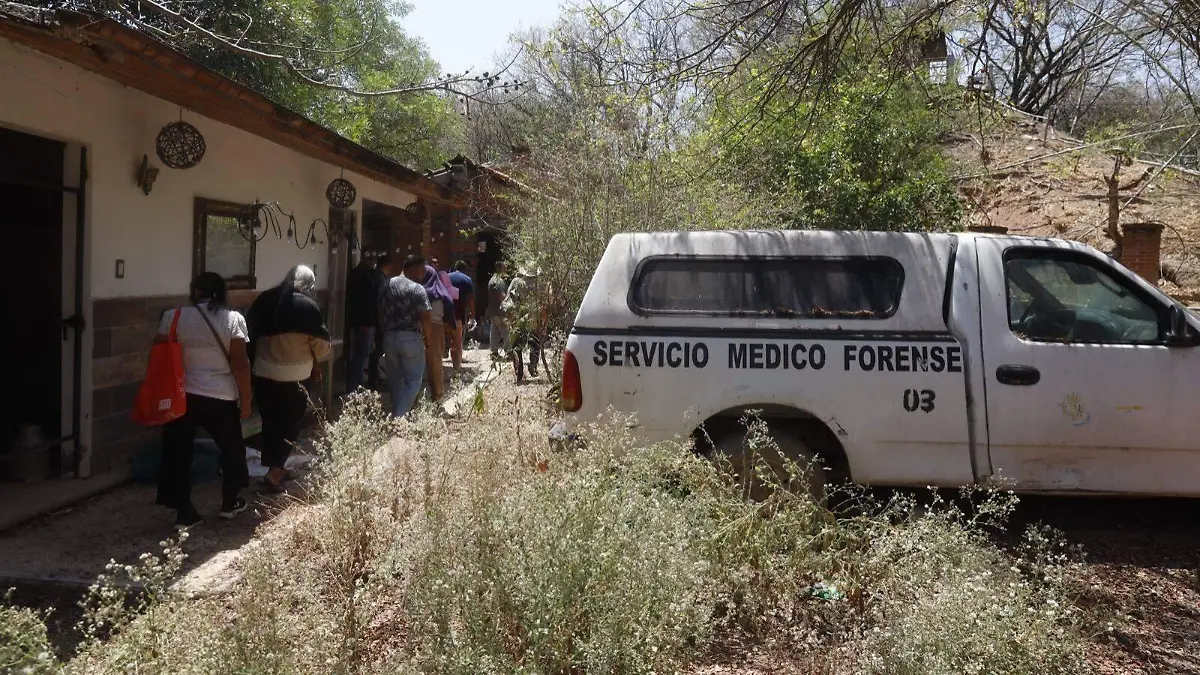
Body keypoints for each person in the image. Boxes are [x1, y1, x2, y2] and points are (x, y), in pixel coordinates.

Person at [155, 272, 253, 527]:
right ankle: (230, 503)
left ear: (195, 290)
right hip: (220, 396)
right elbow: (241, 364)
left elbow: (158, 356)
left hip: (181, 396)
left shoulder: (172, 317)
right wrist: (247, 399)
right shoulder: (233, 319)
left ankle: (183, 511)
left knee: (178, 453)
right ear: (221, 293)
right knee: (232, 449)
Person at [247, 265, 331, 492]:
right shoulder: (307, 306)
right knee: (290, 423)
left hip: (263, 373)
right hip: (295, 375)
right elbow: (322, 347)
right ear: (309, 285)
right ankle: (275, 472)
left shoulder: (265, 300)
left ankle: (276, 466)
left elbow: (248, 336)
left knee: (271, 421)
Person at [379, 255, 434, 417]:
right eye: (422, 268)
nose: (423, 272)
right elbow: (425, 316)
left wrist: (384, 333)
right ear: (412, 267)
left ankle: (399, 414)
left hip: (389, 336)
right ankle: (399, 417)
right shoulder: (417, 289)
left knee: (395, 380)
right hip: (410, 337)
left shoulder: (385, 285)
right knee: (413, 380)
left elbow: (379, 312)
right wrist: (428, 339)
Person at [345, 251, 383, 393]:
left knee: (360, 353)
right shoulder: (362, 275)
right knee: (361, 354)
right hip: (364, 322)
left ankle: (357, 383)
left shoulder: (362, 273)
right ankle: (353, 386)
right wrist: (368, 323)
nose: (374, 262)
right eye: (372, 259)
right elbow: (364, 302)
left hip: (360, 321)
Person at [503, 264, 547, 383]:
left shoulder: (516, 282)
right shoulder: (541, 284)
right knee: (535, 344)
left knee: (518, 346)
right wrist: (543, 321)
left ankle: (519, 371)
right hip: (534, 320)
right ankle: (533, 366)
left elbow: (509, 300)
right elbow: (544, 305)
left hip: (519, 319)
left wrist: (510, 319)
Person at [422, 264, 455, 402]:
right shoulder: (441, 293)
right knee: (435, 363)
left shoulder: (423, 293)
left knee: (431, 363)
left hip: (427, 328)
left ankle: (437, 395)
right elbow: (449, 312)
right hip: (437, 329)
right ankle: (437, 394)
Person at [447, 260, 475, 377]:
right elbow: (471, 298)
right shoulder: (467, 279)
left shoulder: (446, 277)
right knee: (457, 340)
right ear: (464, 269)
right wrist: (473, 313)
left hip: (443, 313)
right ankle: (456, 368)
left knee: (446, 340)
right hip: (458, 313)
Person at [486, 261, 510, 358]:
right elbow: (502, 297)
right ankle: (509, 352)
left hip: (493, 310)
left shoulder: (492, 280)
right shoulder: (499, 281)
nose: (506, 269)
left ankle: (494, 352)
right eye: (505, 267)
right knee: (506, 332)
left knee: (494, 332)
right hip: (500, 311)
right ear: (500, 269)